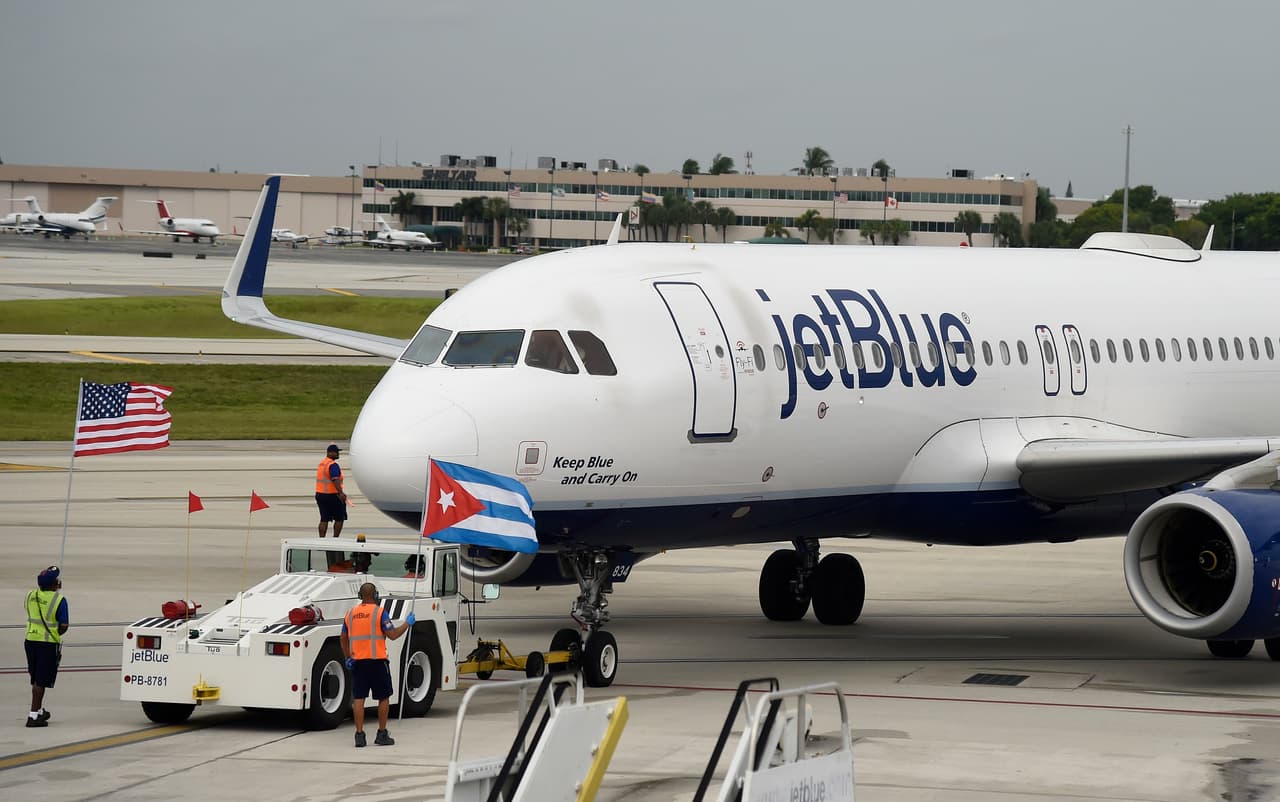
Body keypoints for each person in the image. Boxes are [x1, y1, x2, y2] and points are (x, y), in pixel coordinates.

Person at [340, 583, 415, 747]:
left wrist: (348, 657)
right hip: (377, 662)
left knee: (359, 698)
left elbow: (343, 637)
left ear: (360, 596)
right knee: (383, 697)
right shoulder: (380, 612)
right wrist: (407, 624)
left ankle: (359, 735)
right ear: (375, 595)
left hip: (358, 662)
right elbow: (392, 634)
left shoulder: (350, 614)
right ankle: (381, 733)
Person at [25, 566, 68, 728]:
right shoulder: (59, 600)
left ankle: (39, 710)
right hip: (47, 643)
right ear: (53, 584)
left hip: (30, 640)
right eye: (56, 580)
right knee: (41, 681)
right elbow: (64, 625)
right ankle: (33, 716)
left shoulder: (30, 595)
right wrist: (56, 633)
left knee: (36, 678)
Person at [316, 443, 347, 538]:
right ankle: (335, 538)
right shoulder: (333, 465)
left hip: (320, 494)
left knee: (324, 519)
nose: (338, 454)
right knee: (340, 517)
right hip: (332, 495)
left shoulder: (322, 464)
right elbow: (335, 479)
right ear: (330, 453)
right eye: (336, 452)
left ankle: (321, 539)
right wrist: (341, 493)